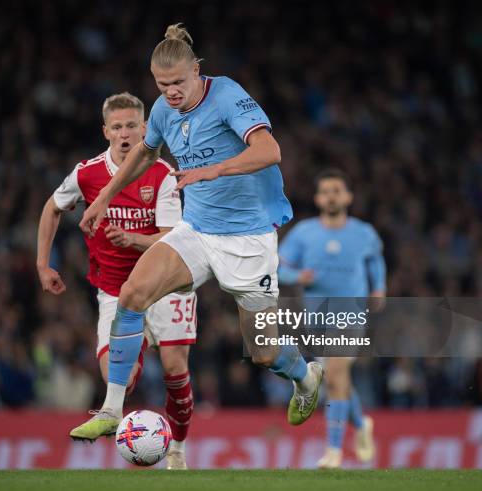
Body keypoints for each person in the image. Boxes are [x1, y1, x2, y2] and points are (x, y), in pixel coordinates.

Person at [73, 23, 323, 442]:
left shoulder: (226, 95)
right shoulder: (162, 109)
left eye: (177, 83)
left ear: (197, 71)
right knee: (131, 295)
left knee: (264, 352)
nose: (170, 92)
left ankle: (305, 375)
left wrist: (213, 169)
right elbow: (145, 153)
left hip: (247, 237)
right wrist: (103, 198)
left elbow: (269, 150)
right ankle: (112, 409)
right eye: (161, 84)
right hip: (197, 229)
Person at [36, 92, 196, 469]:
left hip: (165, 284)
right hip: (114, 288)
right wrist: (43, 265)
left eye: (131, 126)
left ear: (145, 128)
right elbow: (51, 207)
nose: (125, 134)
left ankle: (177, 449)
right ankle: (113, 413)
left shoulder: (161, 173)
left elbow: (172, 236)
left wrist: (134, 240)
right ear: (105, 130)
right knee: (117, 379)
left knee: (174, 368)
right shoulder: (86, 173)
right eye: (117, 127)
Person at [278, 168, 386, 469]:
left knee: (336, 372)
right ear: (317, 198)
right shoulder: (304, 232)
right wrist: (297, 275)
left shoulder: (364, 232)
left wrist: (379, 287)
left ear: (348, 196)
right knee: (338, 381)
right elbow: (277, 266)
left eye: (337, 190)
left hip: (352, 314)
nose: (331, 196)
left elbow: (375, 261)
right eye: (326, 191)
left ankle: (334, 452)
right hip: (318, 320)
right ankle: (362, 425)